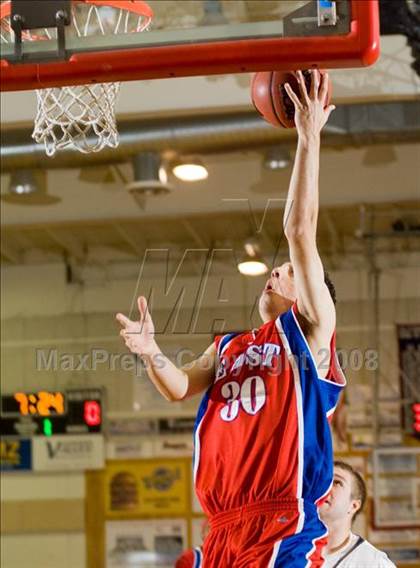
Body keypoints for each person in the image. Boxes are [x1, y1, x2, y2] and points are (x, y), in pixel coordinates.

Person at [117, 70, 345, 567]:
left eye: (287, 273)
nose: (275, 273)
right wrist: (151, 351)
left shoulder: (311, 334)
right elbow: (177, 387)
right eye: (277, 269)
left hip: (282, 522)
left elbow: (300, 232)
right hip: (223, 528)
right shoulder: (227, 347)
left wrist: (309, 138)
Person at [320, 461, 396, 567]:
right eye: (321, 480)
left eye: (337, 482)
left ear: (353, 506)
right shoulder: (292, 547)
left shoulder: (374, 563)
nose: (324, 487)